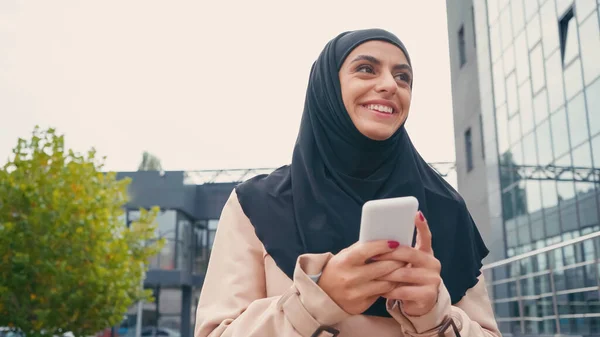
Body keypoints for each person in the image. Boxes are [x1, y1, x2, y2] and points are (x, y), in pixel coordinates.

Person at [194, 28, 501, 337]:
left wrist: (433, 314)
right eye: (366, 69)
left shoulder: (445, 207)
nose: (389, 85)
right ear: (327, 87)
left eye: (403, 77)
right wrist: (318, 302)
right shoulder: (257, 205)